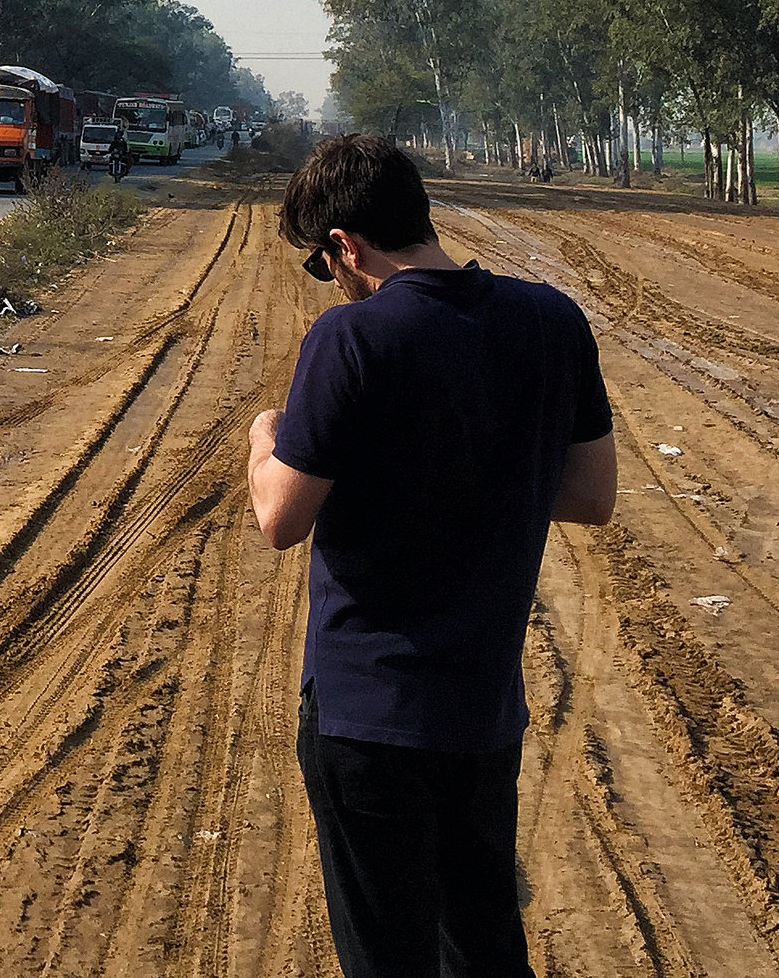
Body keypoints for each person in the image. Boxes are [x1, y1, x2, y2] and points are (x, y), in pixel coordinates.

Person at [248, 133, 617, 977]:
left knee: (388, 959)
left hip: (367, 715)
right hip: (482, 714)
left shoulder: (352, 340)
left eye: (322, 263)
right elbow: (593, 497)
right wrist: (483, 479)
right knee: (484, 951)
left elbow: (280, 516)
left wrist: (264, 437)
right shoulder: (552, 320)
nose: (330, 282)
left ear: (346, 245)